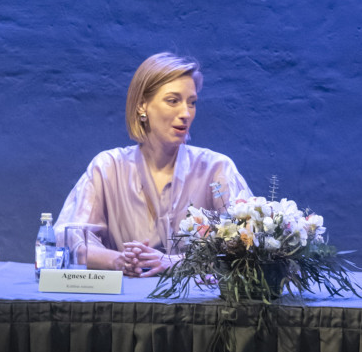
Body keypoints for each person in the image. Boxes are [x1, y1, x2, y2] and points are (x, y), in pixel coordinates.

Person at [55, 52, 249, 276]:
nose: (186, 113)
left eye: (192, 103)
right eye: (173, 101)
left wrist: (174, 262)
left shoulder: (216, 169)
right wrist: (120, 260)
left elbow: (249, 243)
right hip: (127, 295)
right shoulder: (108, 168)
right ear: (142, 106)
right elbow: (67, 240)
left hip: (197, 298)